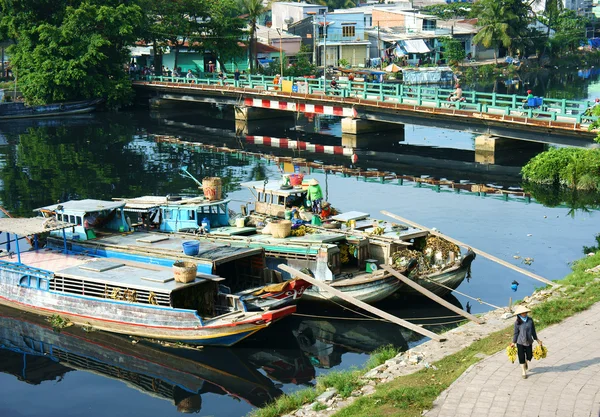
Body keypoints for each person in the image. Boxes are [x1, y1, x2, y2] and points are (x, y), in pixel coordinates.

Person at [510, 305, 542, 379]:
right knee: (521, 357)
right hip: (520, 342)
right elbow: (516, 333)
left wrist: (537, 340)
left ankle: (526, 362)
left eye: (525, 312)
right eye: (522, 313)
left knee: (529, 356)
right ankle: (523, 371)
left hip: (529, 341)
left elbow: (533, 331)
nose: (524, 314)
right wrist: (513, 342)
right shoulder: (517, 322)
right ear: (519, 314)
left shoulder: (530, 320)